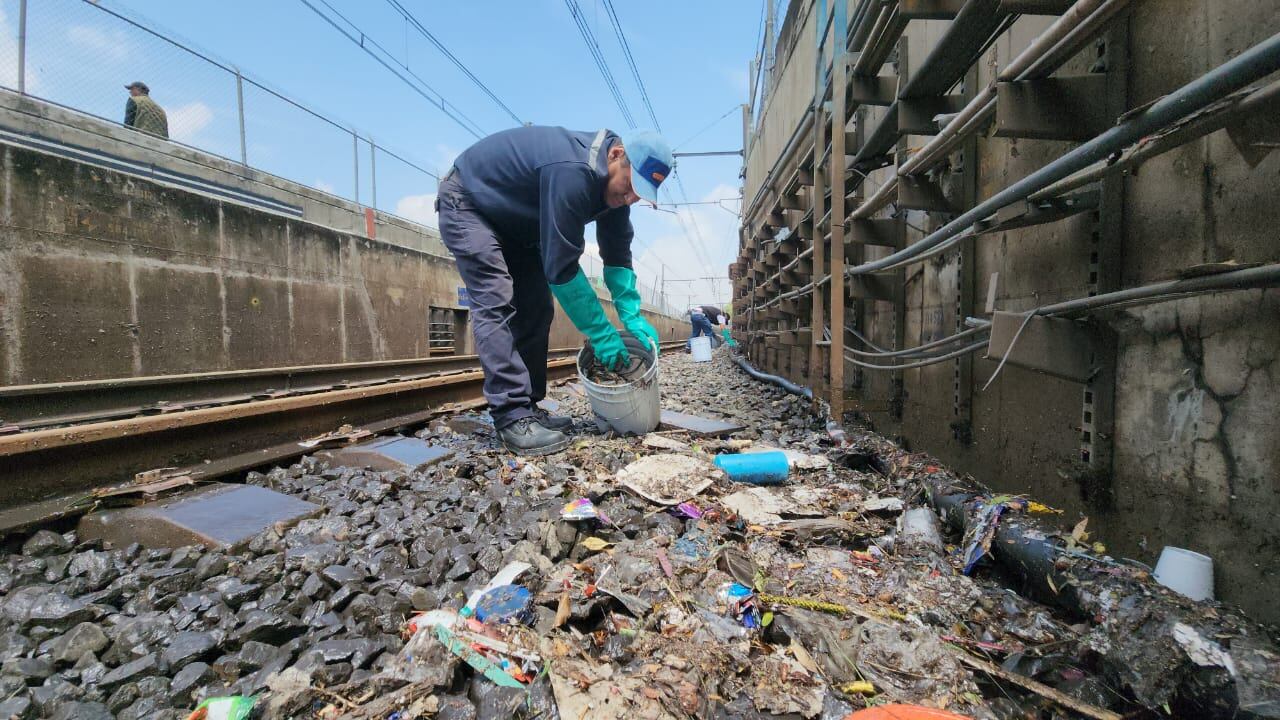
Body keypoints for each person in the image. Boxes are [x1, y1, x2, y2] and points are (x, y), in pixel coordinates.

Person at [435, 126, 671, 455]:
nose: (630, 198)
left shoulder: (614, 190)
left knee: (536, 307)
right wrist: (602, 333)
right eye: (631, 187)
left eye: (639, 195)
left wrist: (632, 317)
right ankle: (510, 415)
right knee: (495, 299)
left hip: (518, 226)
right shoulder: (572, 171)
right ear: (616, 155)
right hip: (470, 204)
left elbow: (617, 254)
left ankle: (527, 410)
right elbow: (561, 268)